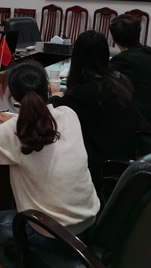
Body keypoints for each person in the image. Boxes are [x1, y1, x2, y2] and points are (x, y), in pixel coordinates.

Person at [0, 63, 100, 268]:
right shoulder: (68, 114)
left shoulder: (17, 131)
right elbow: (42, 120)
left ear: (13, 97)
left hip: (51, 232)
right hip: (89, 221)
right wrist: (9, 117)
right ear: (47, 88)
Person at [49, 30, 137, 187]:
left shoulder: (87, 92)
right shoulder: (118, 81)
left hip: (99, 169)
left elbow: (57, 110)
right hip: (123, 162)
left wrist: (56, 96)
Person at [109, 14, 151, 135]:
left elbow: (105, 86)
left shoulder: (122, 61)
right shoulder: (150, 53)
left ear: (113, 39)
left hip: (142, 129)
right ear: (140, 34)